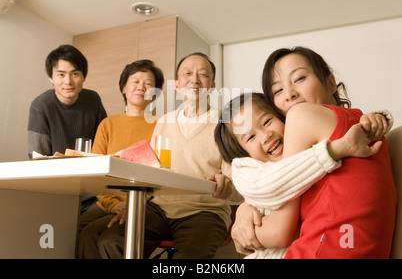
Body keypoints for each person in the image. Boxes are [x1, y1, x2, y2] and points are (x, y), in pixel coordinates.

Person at [231, 46, 397, 258]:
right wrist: (246, 208)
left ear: (330, 83)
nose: (289, 93)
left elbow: (279, 232)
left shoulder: (301, 115)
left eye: (299, 78)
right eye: (278, 91)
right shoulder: (359, 123)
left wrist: (241, 234)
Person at [97, 52, 243, 259]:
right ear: (176, 85)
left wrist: (227, 184)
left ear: (212, 86)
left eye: (202, 74)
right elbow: (152, 173)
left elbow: (237, 189)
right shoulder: (164, 122)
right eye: (187, 73)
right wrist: (133, 207)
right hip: (158, 209)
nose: (194, 79)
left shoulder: (226, 123)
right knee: (111, 241)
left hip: (204, 211)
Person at [215, 92, 388, 258]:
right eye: (251, 137)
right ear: (242, 153)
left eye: (267, 121)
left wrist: (378, 119)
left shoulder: (302, 146)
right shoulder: (244, 169)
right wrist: (337, 149)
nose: (266, 136)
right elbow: (277, 182)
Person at [77, 59, 164, 259]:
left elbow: (162, 174)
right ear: (124, 87)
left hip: (145, 203)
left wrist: (134, 205)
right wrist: (113, 204)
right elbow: (95, 170)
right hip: (108, 201)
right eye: (135, 81)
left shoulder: (162, 125)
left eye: (149, 83)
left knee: (100, 236)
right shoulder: (107, 124)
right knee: (75, 229)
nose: (141, 87)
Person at [27, 44, 107, 213]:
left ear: (83, 76)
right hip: (57, 190)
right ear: (51, 77)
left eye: (75, 73)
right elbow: (37, 159)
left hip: (93, 191)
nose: (68, 81)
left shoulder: (93, 100)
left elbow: (105, 143)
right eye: (61, 74)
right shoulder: (41, 106)